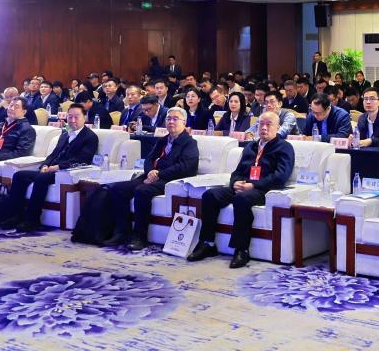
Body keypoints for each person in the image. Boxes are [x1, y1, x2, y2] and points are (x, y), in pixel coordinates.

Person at [188, 111, 294, 268]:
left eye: (268, 124)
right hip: (243, 186)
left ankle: (241, 249)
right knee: (210, 195)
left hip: (264, 189)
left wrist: (254, 185)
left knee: (241, 199)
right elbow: (237, 172)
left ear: (278, 127)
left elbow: (281, 176)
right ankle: (207, 243)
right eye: (261, 124)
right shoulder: (251, 146)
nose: (264, 128)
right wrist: (235, 183)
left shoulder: (284, 147)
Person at [101, 107, 200, 248]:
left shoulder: (189, 143)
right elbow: (149, 159)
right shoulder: (163, 140)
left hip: (171, 180)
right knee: (118, 188)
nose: (171, 122)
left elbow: (186, 167)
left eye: (175, 119)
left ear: (184, 122)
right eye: (168, 119)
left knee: (142, 191)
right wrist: (150, 172)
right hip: (152, 176)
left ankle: (140, 237)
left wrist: (158, 174)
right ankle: (121, 232)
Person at [0, 103, 98, 232]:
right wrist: (45, 165)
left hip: (65, 172)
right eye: (70, 117)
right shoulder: (65, 134)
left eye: (76, 117)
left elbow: (82, 160)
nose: (72, 120)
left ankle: (32, 219)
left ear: (84, 117)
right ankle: (14, 216)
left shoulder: (90, 137)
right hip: (50, 169)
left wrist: (56, 167)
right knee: (19, 176)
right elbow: (53, 154)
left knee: (41, 179)